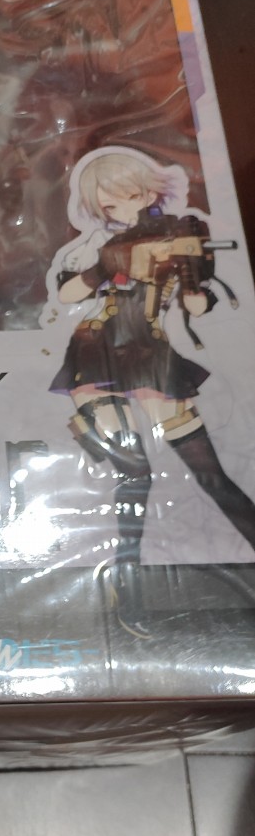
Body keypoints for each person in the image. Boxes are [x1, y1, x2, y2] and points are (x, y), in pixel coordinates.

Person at [50, 146, 255, 637]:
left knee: (210, 474)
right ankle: (128, 590)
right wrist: (104, 267)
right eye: (110, 204)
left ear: (146, 192)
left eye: (130, 197)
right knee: (136, 475)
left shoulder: (175, 234)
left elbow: (199, 306)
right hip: (97, 355)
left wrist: (190, 277)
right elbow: (66, 293)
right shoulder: (94, 245)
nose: (122, 209)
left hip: (153, 356)